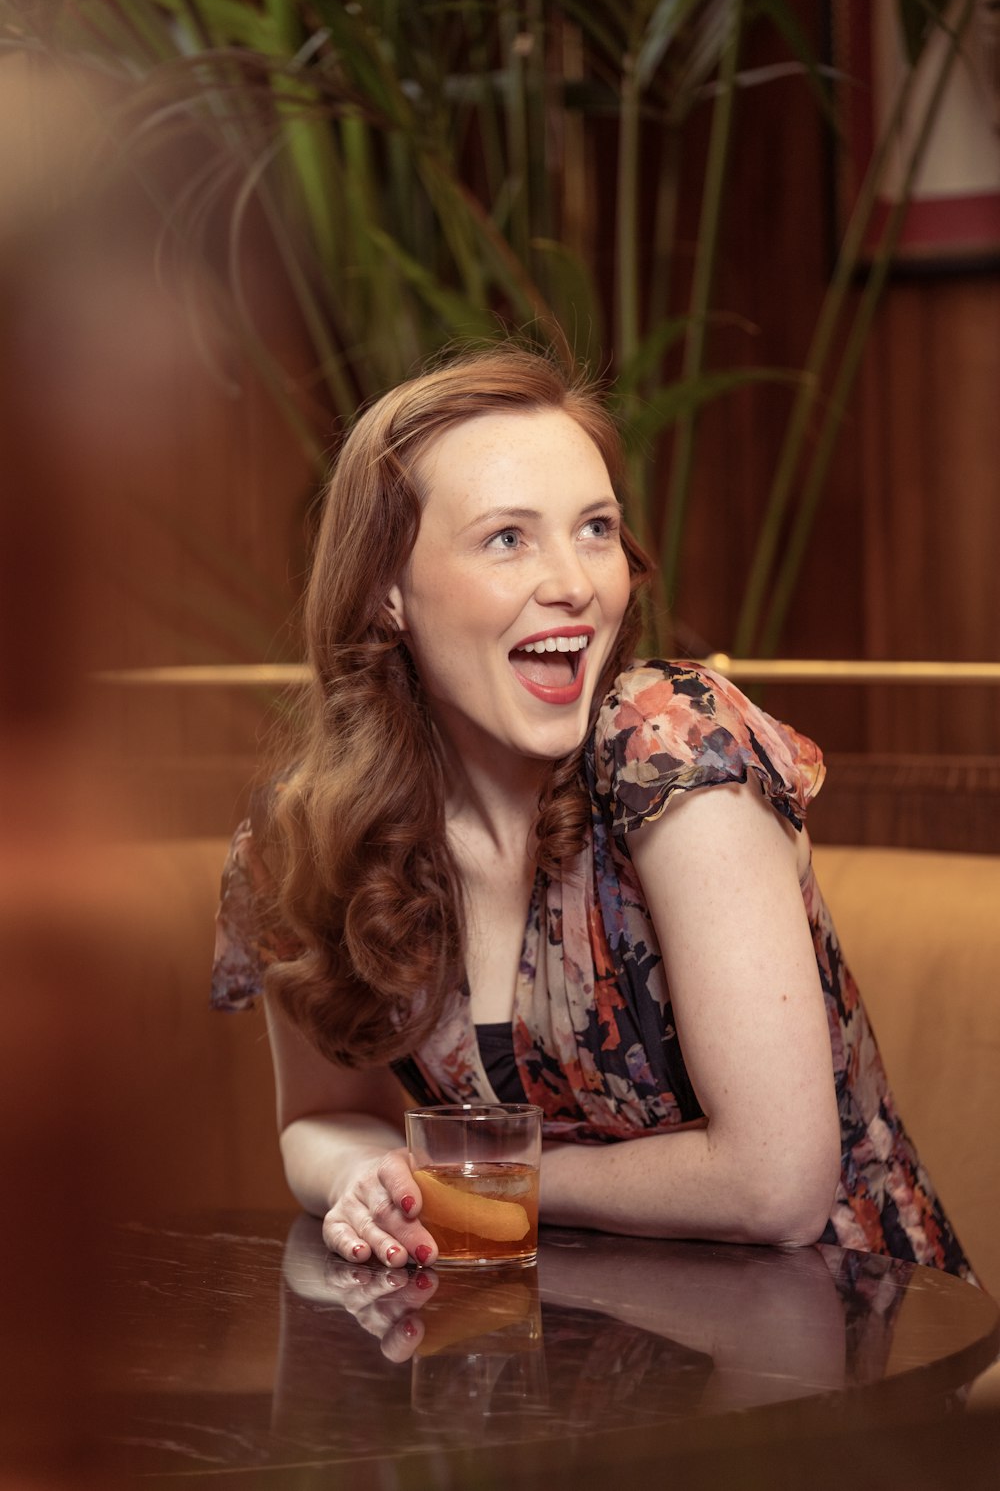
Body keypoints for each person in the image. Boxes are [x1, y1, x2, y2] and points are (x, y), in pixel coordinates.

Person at [212, 344, 971, 1280]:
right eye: (508, 538)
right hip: (549, 1373)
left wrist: (481, 1183)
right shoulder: (302, 842)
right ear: (388, 593)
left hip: (844, 1352)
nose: (575, 580)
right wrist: (364, 1173)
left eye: (597, 528)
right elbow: (319, 1120)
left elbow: (776, 1187)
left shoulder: (671, 741)